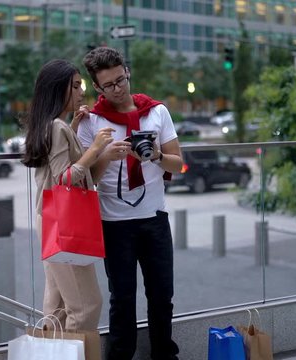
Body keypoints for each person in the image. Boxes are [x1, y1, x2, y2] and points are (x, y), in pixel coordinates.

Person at [79, 47, 182, 359]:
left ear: (127, 71)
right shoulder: (91, 123)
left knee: (162, 294)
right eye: (109, 85)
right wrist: (106, 157)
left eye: (121, 79)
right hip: (113, 223)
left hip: (154, 217)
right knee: (122, 298)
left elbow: (177, 164)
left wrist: (157, 155)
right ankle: (120, 355)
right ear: (97, 87)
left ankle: (164, 353)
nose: (118, 88)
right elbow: (87, 180)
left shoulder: (157, 112)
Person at [21, 59, 114, 331]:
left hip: (50, 219)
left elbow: (58, 170)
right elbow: (63, 179)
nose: (80, 92)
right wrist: (95, 149)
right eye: (75, 86)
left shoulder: (51, 125)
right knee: (86, 307)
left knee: (57, 306)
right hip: (63, 222)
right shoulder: (56, 127)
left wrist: (75, 130)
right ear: (58, 89)